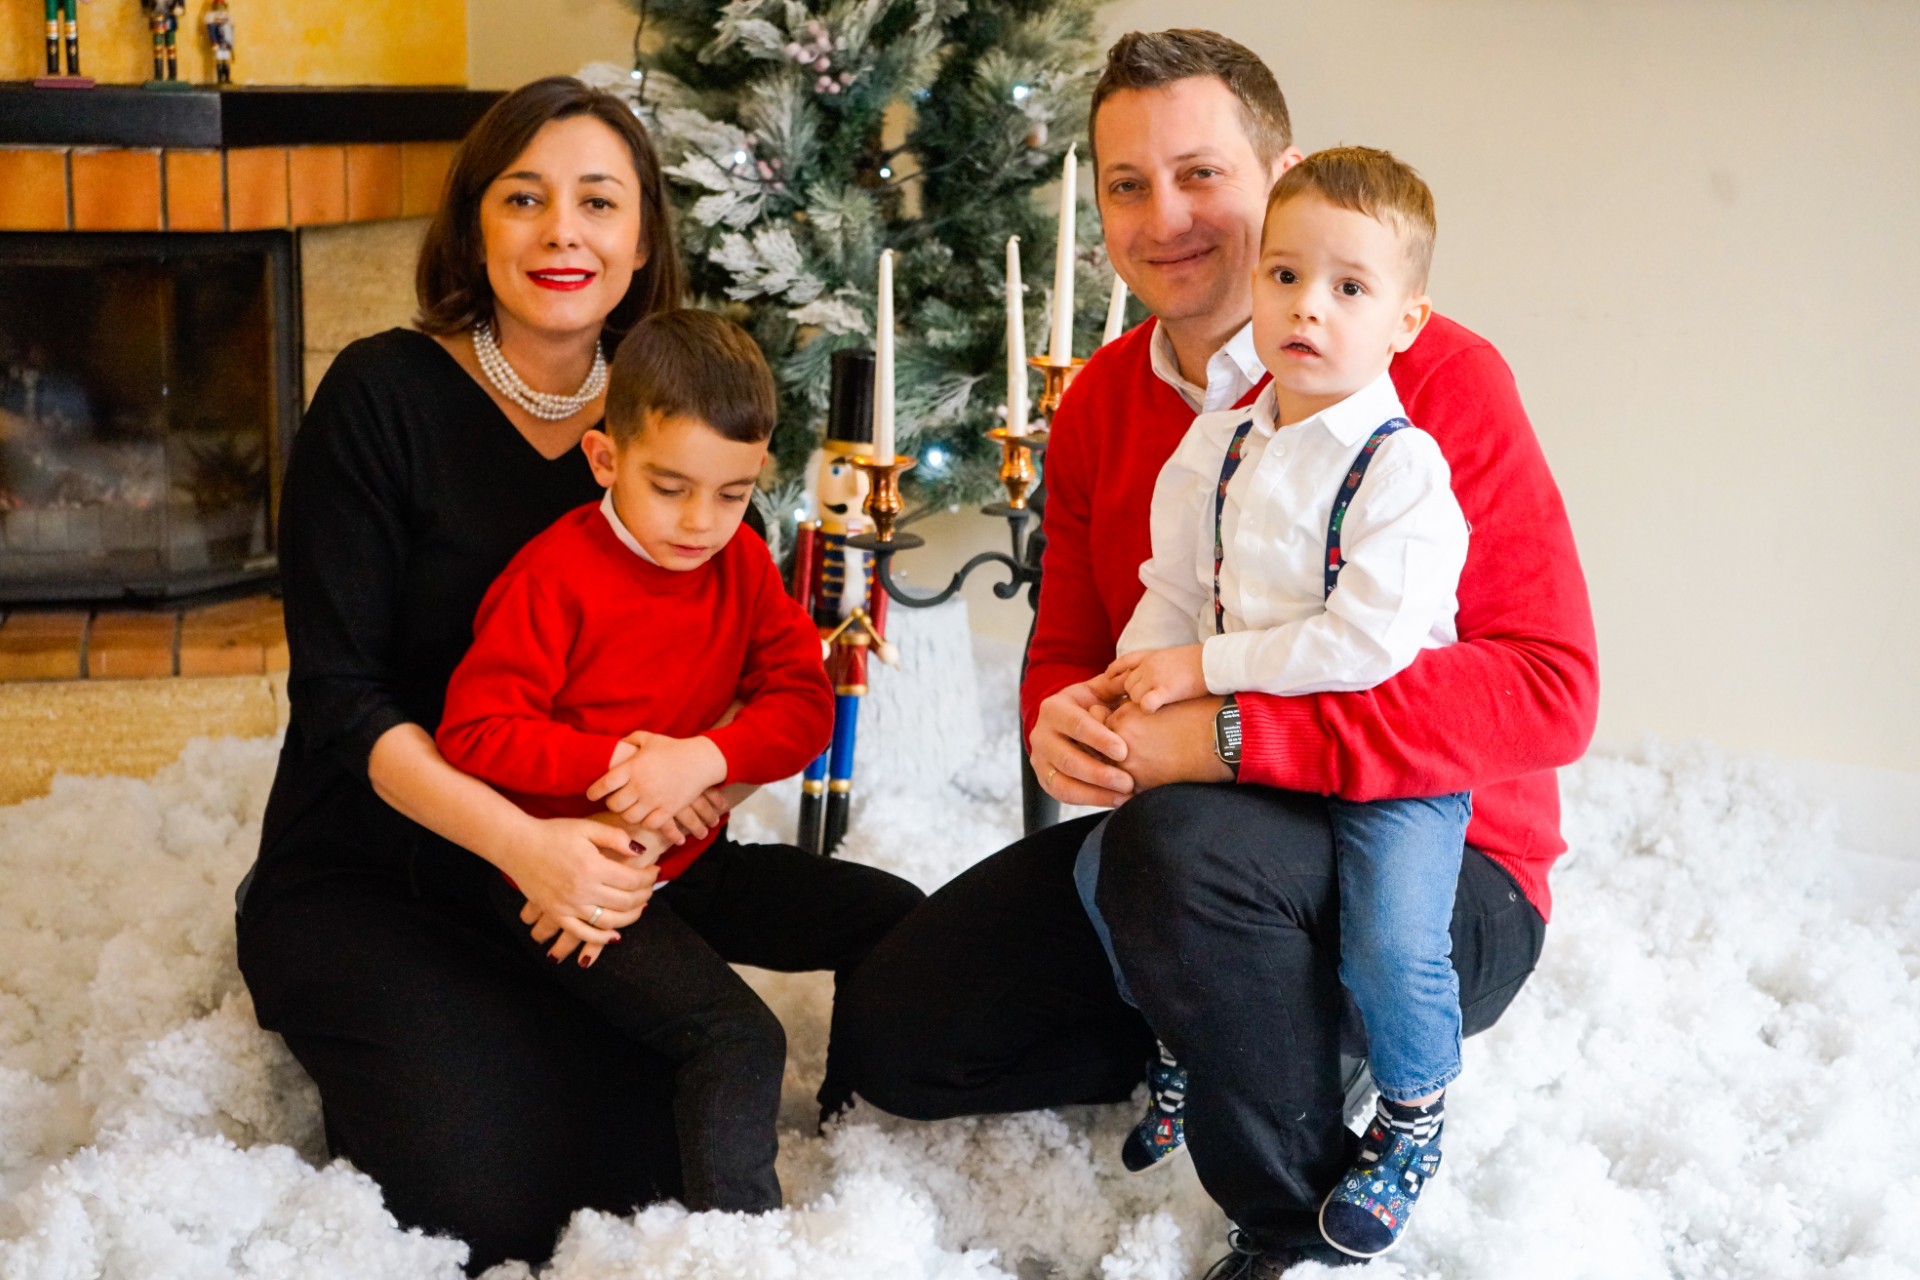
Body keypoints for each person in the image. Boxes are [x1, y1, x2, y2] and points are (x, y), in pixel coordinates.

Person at [830, 30, 1599, 1279]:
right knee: (898, 1031)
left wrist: (1232, 734)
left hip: (1440, 871)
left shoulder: (1437, 380)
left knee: (1175, 844)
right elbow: (1070, 644)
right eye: (1127, 185)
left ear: (1281, 174)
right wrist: (1062, 721)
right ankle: (1225, 1028)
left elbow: (1549, 689)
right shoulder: (1100, 403)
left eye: (1201, 175)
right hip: (1189, 855)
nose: (1165, 218)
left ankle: (1293, 1219)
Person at [237, 77, 706, 1273]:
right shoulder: (380, 394)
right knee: (481, 1210)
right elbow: (342, 701)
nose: (562, 233)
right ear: (474, 226)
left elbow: (720, 679)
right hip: (374, 863)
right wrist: (525, 846)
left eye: (598, 201)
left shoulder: (671, 424)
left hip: (573, 880)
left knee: (648, 1178)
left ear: (642, 237)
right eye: (524, 198)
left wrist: (639, 836)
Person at [433, 308, 923, 1215]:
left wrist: (702, 759)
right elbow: (475, 731)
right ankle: (733, 1247)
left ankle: (855, 1128)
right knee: (739, 1038)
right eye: (671, 488)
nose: (702, 522)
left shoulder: (742, 562)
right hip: (579, 888)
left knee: (890, 915)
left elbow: (806, 705)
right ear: (605, 459)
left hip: (694, 864)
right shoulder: (552, 578)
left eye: (733, 494)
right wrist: (625, 765)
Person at [1079, 146, 1470, 1259]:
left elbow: (1360, 644)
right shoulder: (1219, 442)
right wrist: (1130, 689)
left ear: (1405, 320)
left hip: (1389, 762)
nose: (1308, 307)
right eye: (1286, 276)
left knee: (1392, 939)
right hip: (1260, 751)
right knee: (1106, 872)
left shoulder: (1402, 470)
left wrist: (1202, 670)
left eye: (1350, 287)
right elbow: (1172, 587)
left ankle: (1413, 1112)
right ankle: (1181, 1040)